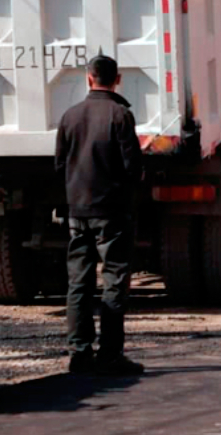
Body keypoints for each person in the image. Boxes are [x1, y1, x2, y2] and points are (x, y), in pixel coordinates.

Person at [55, 55, 144, 376]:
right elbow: (133, 167)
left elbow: (60, 165)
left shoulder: (70, 116)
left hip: (78, 212)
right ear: (117, 79)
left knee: (78, 283)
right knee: (114, 283)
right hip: (112, 214)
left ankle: (79, 353)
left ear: (88, 78)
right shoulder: (120, 115)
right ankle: (110, 355)